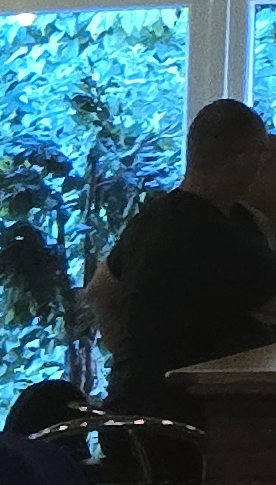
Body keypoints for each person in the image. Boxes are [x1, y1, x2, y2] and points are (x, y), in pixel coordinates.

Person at [102, 97, 276, 413]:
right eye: (262, 155)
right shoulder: (223, 239)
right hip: (187, 419)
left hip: (127, 411)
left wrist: (141, 367)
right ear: (241, 161)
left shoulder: (151, 220)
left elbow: (99, 293)